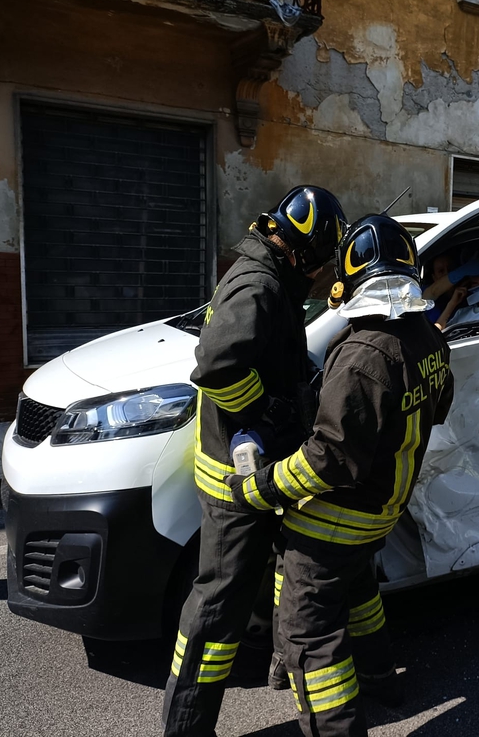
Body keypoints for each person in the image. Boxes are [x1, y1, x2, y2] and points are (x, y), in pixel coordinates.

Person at [228, 213, 454, 737]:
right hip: (381, 512)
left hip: (335, 519)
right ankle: (381, 679)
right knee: (358, 595)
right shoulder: (429, 341)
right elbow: (434, 412)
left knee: (309, 636)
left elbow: (329, 458)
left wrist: (262, 487)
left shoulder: (362, 355)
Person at [162, 186, 346, 737]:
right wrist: (267, 411)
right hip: (234, 478)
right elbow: (217, 368)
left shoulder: (267, 274)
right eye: (318, 264)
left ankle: (274, 663)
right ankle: (187, 726)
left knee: (266, 574)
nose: (318, 275)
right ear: (301, 252)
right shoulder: (259, 284)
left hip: (254, 469)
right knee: (218, 602)